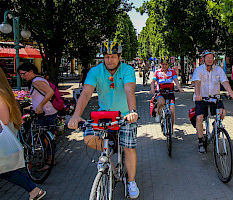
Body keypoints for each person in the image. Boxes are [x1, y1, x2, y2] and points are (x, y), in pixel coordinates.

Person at [68, 41, 140, 199]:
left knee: (128, 147)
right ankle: (108, 158)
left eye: (113, 56)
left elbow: (129, 91)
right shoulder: (95, 71)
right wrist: (76, 115)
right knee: (88, 138)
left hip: (124, 115)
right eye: (106, 57)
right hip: (103, 114)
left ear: (119, 57)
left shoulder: (127, 70)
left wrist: (132, 112)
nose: (110, 60)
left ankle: (132, 181)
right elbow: (86, 93)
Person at [0, 68, 47, 200]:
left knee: (6, 171)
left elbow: (3, 119)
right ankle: (34, 190)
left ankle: (34, 190)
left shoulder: (0, 93)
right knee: (6, 171)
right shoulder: (4, 92)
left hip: (2, 139)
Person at [192, 50, 233, 153]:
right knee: (199, 118)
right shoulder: (199, 70)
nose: (210, 59)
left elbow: (224, 81)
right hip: (202, 98)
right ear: (203, 59)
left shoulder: (218, 70)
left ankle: (215, 125)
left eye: (211, 57)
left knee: (222, 113)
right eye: (208, 57)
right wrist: (198, 94)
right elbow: (197, 82)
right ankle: (200, 141)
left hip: (215, 98)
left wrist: (230, 92)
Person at [17, 63, 57, 134]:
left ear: (31, 71)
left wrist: (40, 106)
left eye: (23, 74)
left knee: (44, 137)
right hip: (45, 112)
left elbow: (50, 92)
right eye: (20, 75)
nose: (22, 76)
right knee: (46, 137)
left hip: (45, 113)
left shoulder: (37, 81)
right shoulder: (37, 80)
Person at [150, 56, 184, 137]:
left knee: (172, 111)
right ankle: (158, 113)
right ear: (160, 64)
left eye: (166, 64)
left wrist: (179, 88)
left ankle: (171, 130)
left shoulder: (172, 72)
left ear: (168, 64)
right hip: (160, 93)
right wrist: (152, 89)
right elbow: (153, 82)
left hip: (170, 93)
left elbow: (176, 80)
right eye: (163, 64)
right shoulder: (157, 72)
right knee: (161, 102)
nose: (164, 66)